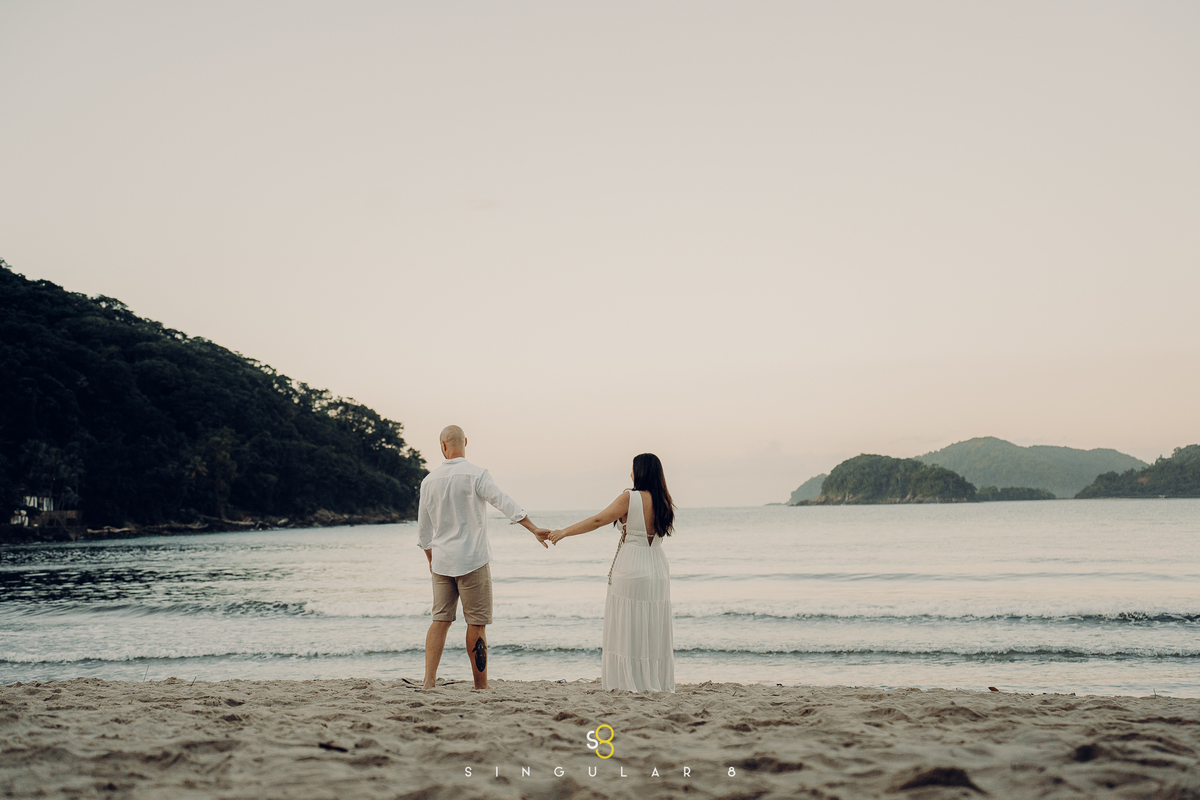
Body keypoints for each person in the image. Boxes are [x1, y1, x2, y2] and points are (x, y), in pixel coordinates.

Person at [417, 425, 550, 689]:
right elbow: (503, 501)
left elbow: (423, 530)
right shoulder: (476, 474)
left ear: (442, 445)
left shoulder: (429, 481)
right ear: (465, 442)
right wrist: (534, 528)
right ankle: (480, 686)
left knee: (439, 621)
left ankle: (429, 681)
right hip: (473, 561)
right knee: (476, 624)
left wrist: (431, 559)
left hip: (442, 563)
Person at [548, 453, 675, 692]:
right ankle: (653, 680)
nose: (630, 473)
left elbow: (598, 520)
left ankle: (628, 681)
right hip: (658, 566)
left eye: (632, 469)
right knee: (651, 625)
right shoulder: (664, 500)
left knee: (627, 625)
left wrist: (564, 532)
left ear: (641, 472)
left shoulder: (630, 497)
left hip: (632, 565)